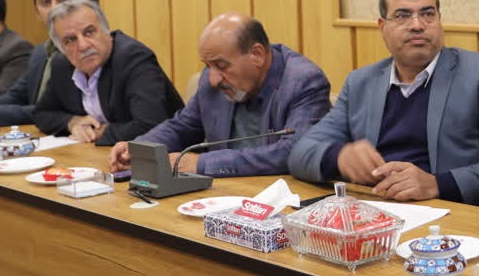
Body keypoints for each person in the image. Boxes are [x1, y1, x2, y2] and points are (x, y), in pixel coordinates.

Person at [289, 0, 479, 205]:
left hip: (450, 214)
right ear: (382, 26)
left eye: (427, 14)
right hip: (375, 212)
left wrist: (438, 184)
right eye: (402, 15)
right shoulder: (360, 83)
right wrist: (338, 157)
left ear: (439, 20)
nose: (417, 25)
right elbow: (301, 152)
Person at [107, 13, 331, 177]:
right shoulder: (212, 79)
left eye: (221, 66)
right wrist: (139, 148)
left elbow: (293, 152)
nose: (213, 78)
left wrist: (203, 164)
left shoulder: (303, 81)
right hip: (218, 196)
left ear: (257, 54)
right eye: (208, 66)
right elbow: (183, 126)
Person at [34, 0, 183, 146]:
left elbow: (151, 125)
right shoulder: (62, 66)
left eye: (89, 32)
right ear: (61, 48)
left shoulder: (133, 58)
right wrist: (72, 122)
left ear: (106, 31)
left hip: (166, 154)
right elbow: (42, 114)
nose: (83, 45)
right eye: (70, 40)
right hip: (97, 154)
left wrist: (98, 132)